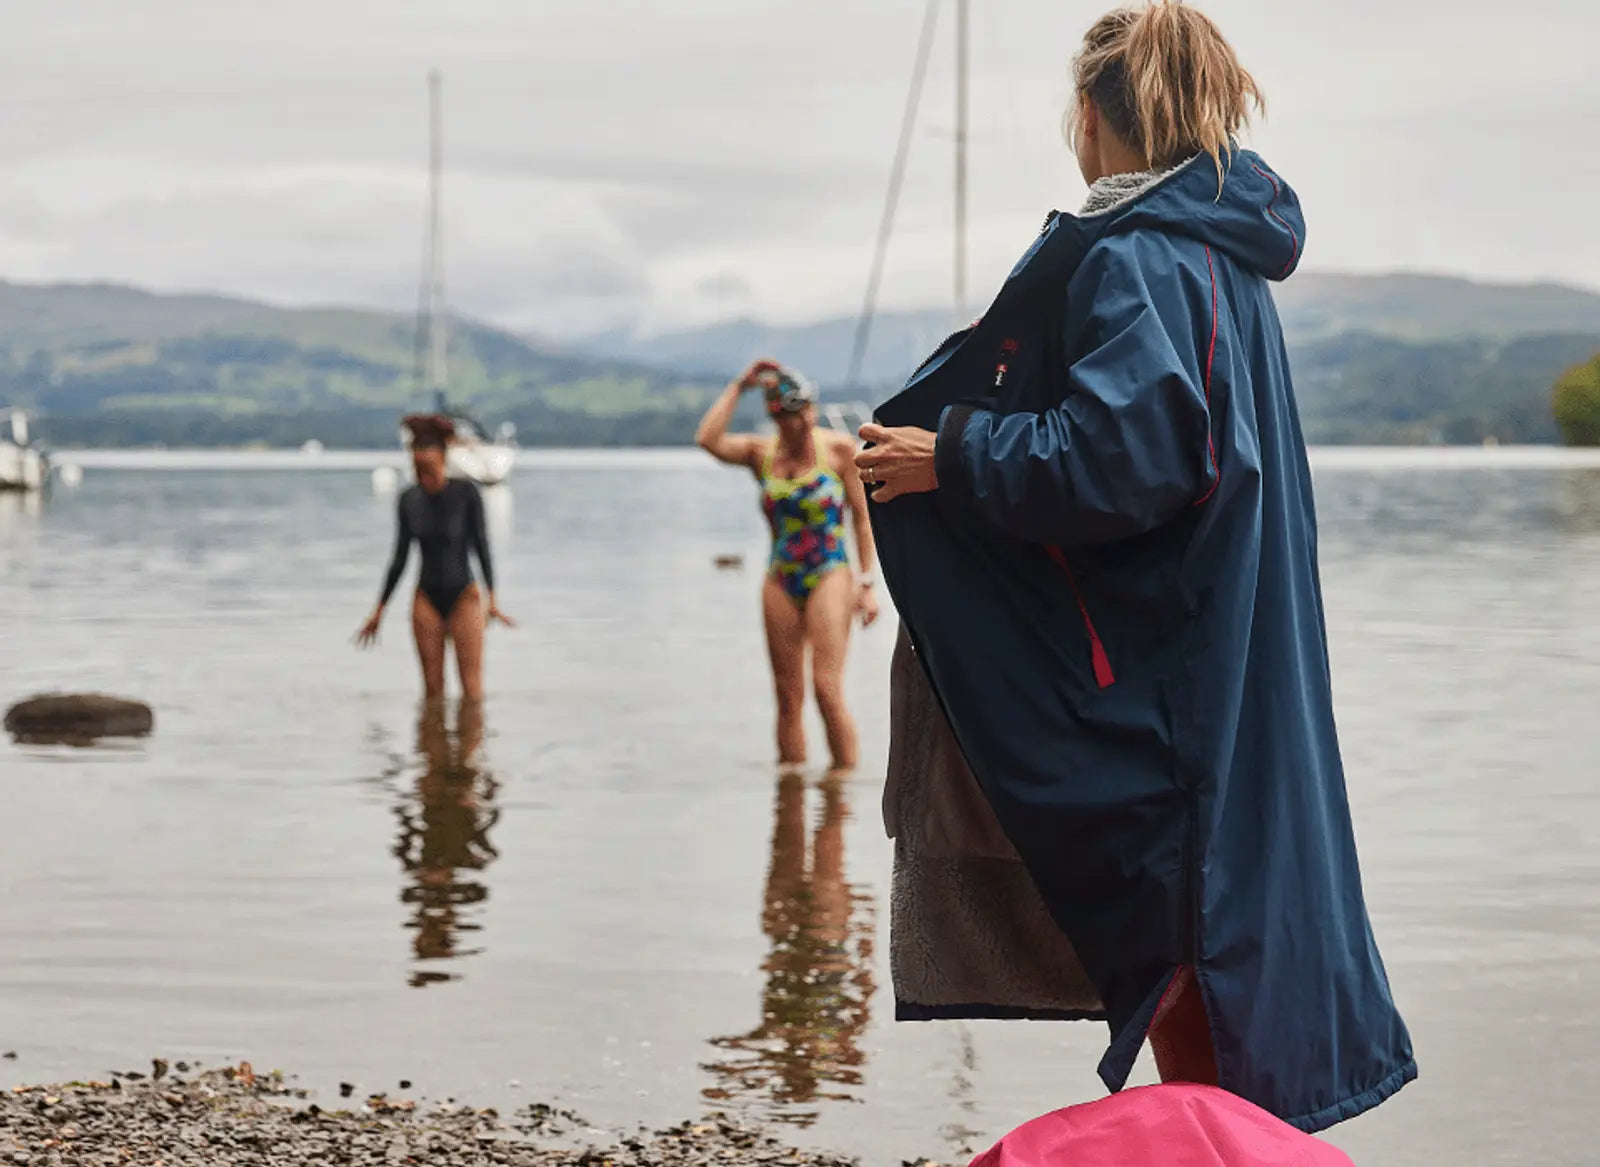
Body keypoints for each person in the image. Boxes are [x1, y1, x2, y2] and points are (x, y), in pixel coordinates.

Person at [859, 0, 1413, 1135]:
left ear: (1086, 115)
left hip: (1179, 674)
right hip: (1225, 643)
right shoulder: (1219, 257)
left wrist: (948, 454)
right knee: (1218, 927)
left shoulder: (1140, 255)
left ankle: (1223, 1149)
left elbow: (1128, 457)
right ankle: (1235, 1147)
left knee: (1189, 929)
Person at [696, 360, 879, 770]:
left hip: (830, 570)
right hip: (780, 574)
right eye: (797, 412)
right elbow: (707, 439)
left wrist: (867, 583)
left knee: (826, 688)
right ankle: (791, 797)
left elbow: (862, 518)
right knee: (787, 694)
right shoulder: (760, 453)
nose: (807, 419)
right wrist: (739, 384)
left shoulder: (838, 450)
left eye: (810, 408)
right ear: (778, 416)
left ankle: (841, 794)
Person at [357, 414, 513, 700]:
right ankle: (431, 745)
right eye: (416, 462)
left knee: (472, 691)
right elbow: (400, 557)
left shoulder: (466, 494)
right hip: (425, 598)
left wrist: (493, 599)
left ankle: (470, 743)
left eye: (426, 461)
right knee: (432, 691)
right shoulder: (409, 499)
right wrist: (378, 611)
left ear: (442, 455)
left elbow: (482, 547)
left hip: (464, 595)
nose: (421, 469)